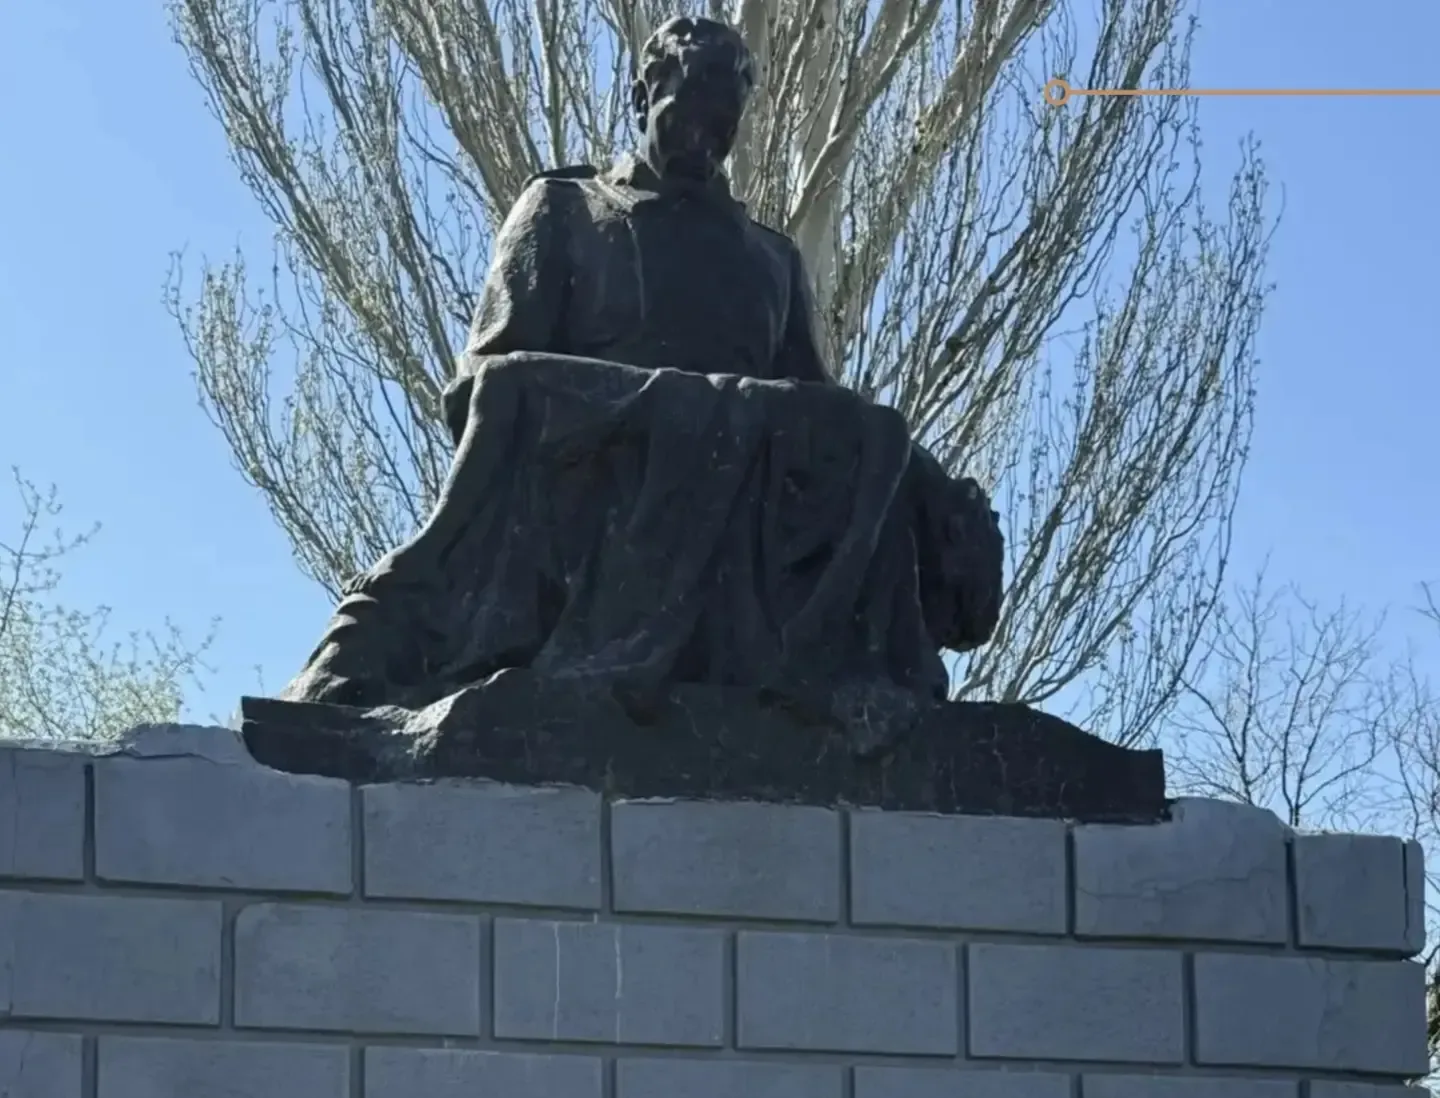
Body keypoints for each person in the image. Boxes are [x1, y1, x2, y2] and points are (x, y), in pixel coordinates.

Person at [281, 14, 1003, 750]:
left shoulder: (771, 259)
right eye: (686, 115)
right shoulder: (563, 210)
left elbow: (815, 413)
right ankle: (383, 647)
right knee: (529, 396)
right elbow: (487, 383)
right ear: (642, 98)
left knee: (870, 433)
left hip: (740, 504)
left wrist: (924, 489)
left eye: (721, 125)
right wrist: (652, 406)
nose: (703, 139)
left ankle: (846, 677)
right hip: (591, 479)